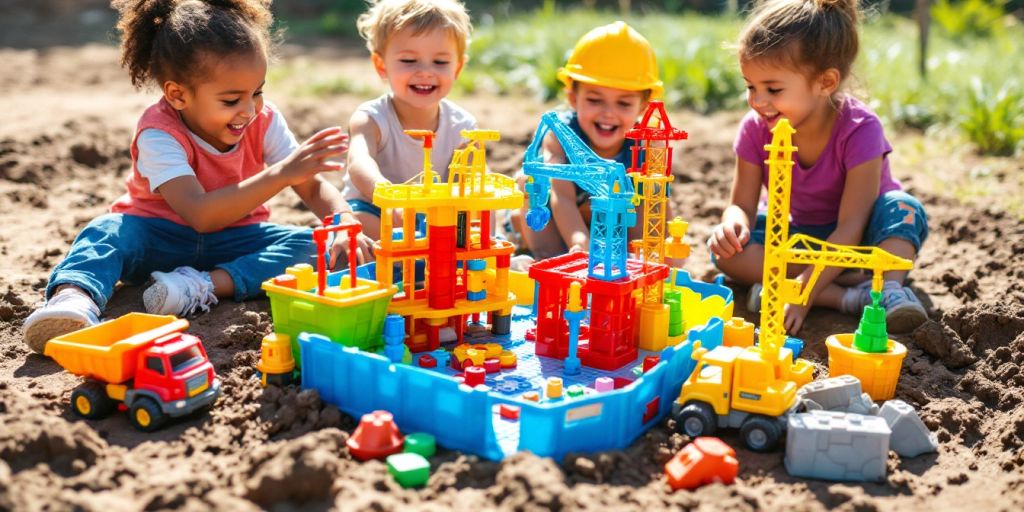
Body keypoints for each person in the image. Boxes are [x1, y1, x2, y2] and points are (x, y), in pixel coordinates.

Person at [22, 0, 370, 353]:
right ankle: (74, 299)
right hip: (157, 237)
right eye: (232, 99)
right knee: (106, 232)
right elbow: (200, 214)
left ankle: (202, 285)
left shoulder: (263, 121)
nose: (249, 110)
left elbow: (310, 186)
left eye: (258, 91)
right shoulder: (159, 134)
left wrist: (342, 222)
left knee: (317, 246)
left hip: (237, 240)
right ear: (178, 95)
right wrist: (281, 174)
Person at [708, 0, 929, 335]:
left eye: (773, 89)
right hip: (800, 234)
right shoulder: (755, 127)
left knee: (903, 210)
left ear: (825, 82)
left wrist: (802, 294)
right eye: (750, 86)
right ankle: (847, 296)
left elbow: (852, 226)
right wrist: (732, 224)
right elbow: (742, 205)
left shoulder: (860, 129)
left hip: (861, 237)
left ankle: (887, 291)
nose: (757, 101)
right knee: (726, 255)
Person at [506, 21, 668, 262]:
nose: (608, 113)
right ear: (573, 98)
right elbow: (562, 197)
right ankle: (543, 255)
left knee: (655, 241)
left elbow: (657, 205)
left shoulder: (647, 146)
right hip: (553, 219)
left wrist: (644, 254)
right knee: (528, 183)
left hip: (608, 221)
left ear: (643, 106)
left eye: (623, 103)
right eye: (594, 100)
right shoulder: (561, 136)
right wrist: (579, 242)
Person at [343, 0, 476, 242]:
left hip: (434, 214)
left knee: (472, 220)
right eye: (408, 60)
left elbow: (467, 183)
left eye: (440, 62)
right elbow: (359, 163)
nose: (425, 71)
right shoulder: (370, 118)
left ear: (457, 68)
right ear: (381, 65)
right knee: (355, 223)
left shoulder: (463, 127)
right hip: (376, 208)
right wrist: (388, 196)